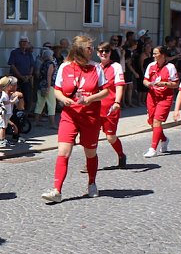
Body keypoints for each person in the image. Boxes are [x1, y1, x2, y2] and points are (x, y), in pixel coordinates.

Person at [41, 36, 109, 203]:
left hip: (90, 117)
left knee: (90, 152)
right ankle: (57, 190)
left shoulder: (96, 68)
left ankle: (92, 183)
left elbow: (106, 91)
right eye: (89, 48)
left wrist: (91, 99)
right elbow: (57, 90)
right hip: (69, 116)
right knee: (63, 152)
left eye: (92, 47)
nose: (92, 50)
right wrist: (63, 99)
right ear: (79, 50)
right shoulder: (65, 67)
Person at [142, 46, 178, 157]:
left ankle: (153, 148)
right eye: (153, 53)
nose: (153, 56)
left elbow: (176, 84)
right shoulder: (151, 66)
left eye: (155, 53)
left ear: (162, 55)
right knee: (152, 122)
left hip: (165, 97)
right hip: (152, 96)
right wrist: (147, 84)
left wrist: (165, 83)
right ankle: (164, 139)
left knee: (157, 121)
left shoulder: (170, 67)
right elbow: (145, 80)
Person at [96, 42, 127, 168]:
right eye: (101, 51)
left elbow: (119, 86)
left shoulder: (116, 66)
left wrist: (117, 102)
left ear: (110, 53)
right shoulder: (95, 67)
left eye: (107, 51)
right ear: (97, 53)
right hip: (95, 108)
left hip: (110, 107)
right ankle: (90, 164)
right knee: (91, 137)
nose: (104, 53)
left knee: (110, 137)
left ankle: (121, 154)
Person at [8, 37, 36, 114]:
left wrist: (29, 75)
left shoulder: (29, 54)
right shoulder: (14, 52)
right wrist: (20, 76)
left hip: (27, 79)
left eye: (25, 42)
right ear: (19, 43)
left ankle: (25, 115)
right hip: (16, 79)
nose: (24, 43)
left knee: (28, 97)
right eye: (22, 42)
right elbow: (12, 65)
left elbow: (32, 65)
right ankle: (16, 113)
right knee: (16, 96)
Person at [34, 47, 58, 128]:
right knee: (51, 104)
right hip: (48, 85)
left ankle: (36, 121)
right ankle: (52, 124)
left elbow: (39, 74)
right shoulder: (51, 64)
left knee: (40, 104)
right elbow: (49, 75)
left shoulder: (42, 63)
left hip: (41, 85)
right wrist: (48, 86)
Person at [0, 76, 23, 147]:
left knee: (4, 126)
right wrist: (12, 101)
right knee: (3, 127)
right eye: (15, 85)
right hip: (2, 114)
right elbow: (3, 103)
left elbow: (21, 107)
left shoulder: (12, 95)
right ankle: (2, 140)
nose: (16, 87)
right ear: (9, 86)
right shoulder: (3, 95)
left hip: (7, 114)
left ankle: (4, 139)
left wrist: (20, 97)